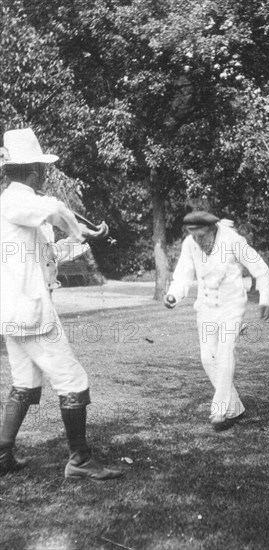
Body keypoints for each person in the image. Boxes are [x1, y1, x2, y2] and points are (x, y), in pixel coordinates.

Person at [0, 128, 123, 480]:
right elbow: (54, 208)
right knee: (73, 379)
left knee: (24, 382)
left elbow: (46, 254)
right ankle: (80, 460)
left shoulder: (16, 206)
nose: (46, 175)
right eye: (42, 168)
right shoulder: (16, 200)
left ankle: (3, 454)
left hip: (14, 312)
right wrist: (82, 230)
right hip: (31, 312)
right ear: (33, 170)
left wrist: (82, 241)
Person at [163, 211, 269, 431]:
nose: (197, 241)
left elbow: (260, 269)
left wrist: (265, 298)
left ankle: (220, 410)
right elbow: (183, 274)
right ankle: (235, 407)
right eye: (193, 236)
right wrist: (173, 295)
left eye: (201, 236)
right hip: (206, 307)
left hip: (231, 306)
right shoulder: (189, 243)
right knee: (207, 358)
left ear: (213, 229)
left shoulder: (233, 241)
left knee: (224, 353)